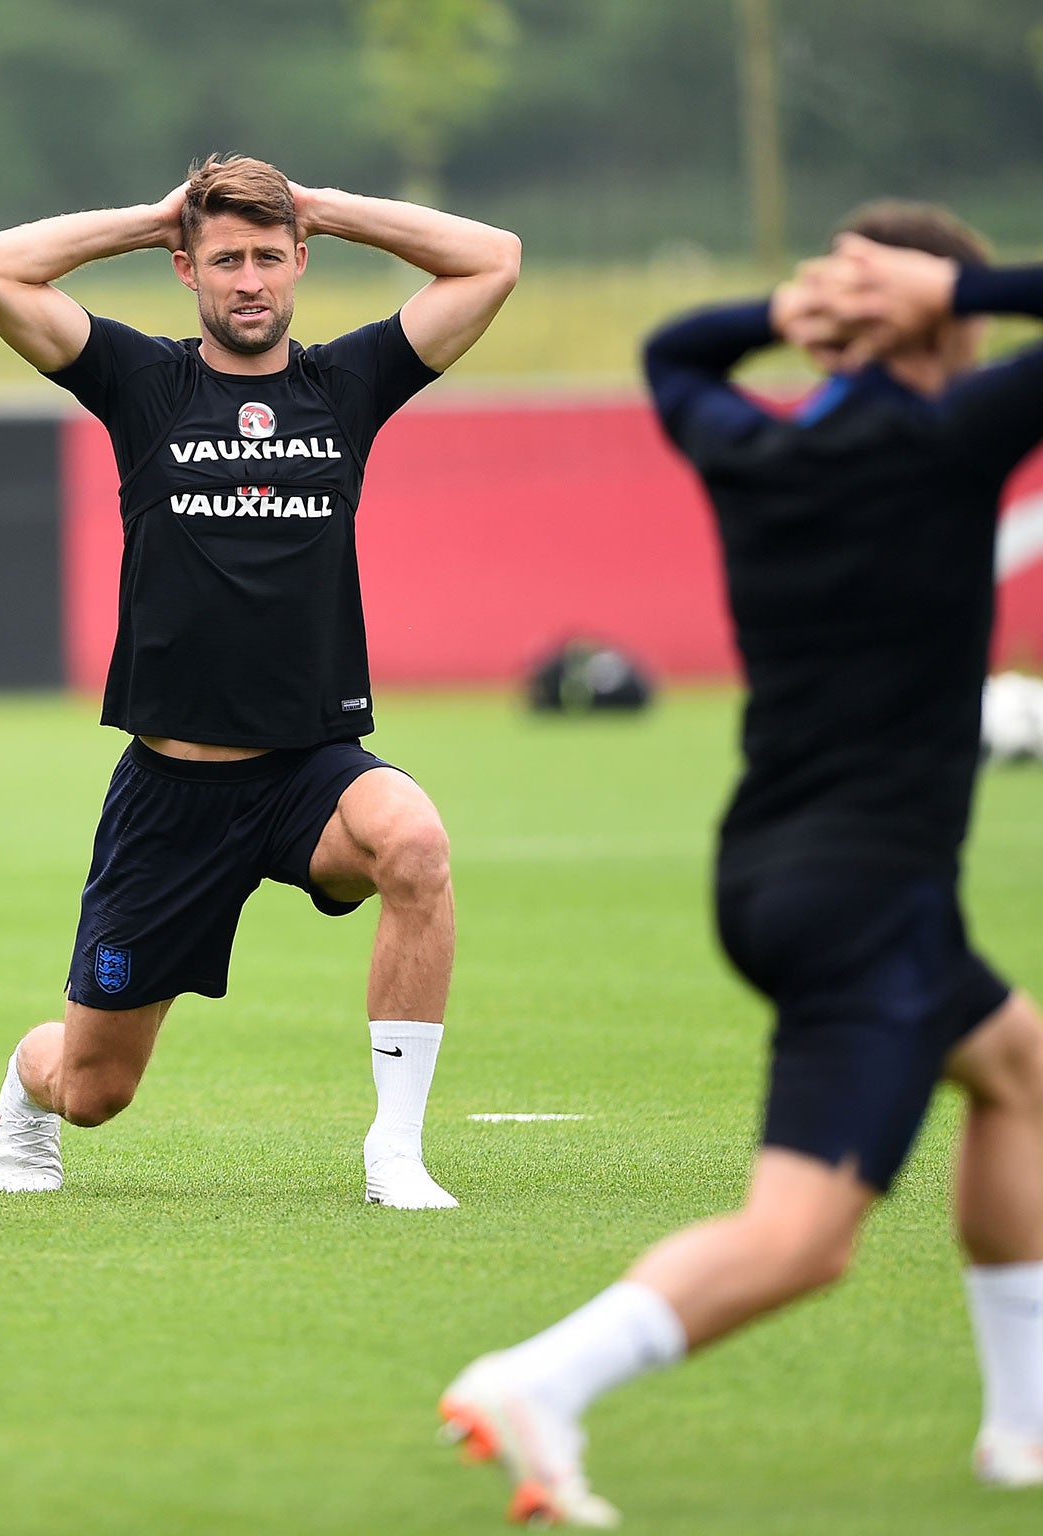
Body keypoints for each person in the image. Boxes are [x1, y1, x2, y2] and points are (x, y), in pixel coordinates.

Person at [441, 204, 1043, 1526]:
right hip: (870, 897)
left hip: (773, 872)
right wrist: (961, 282)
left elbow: (672, 355)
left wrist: (783, 316)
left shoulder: (754, 447)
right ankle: (540, 1379)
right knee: (803, 1243)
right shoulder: (947, 444)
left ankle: (1022, 1434)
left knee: (1017, 1069)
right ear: (952, 328)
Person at [0, 155, 519, 1206]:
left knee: (412, 841)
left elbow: (493, 261)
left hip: (308, 775)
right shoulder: (145, 383)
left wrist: (329, 206)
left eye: (269, 255)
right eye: (225, 260)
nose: (250, 279)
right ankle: (25, 1084)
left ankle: (393, 1153)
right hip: (173, 793)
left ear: (300, 261)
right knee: (94, 1089)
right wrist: (146, 218)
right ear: (187, 270)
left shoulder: (343, 385)